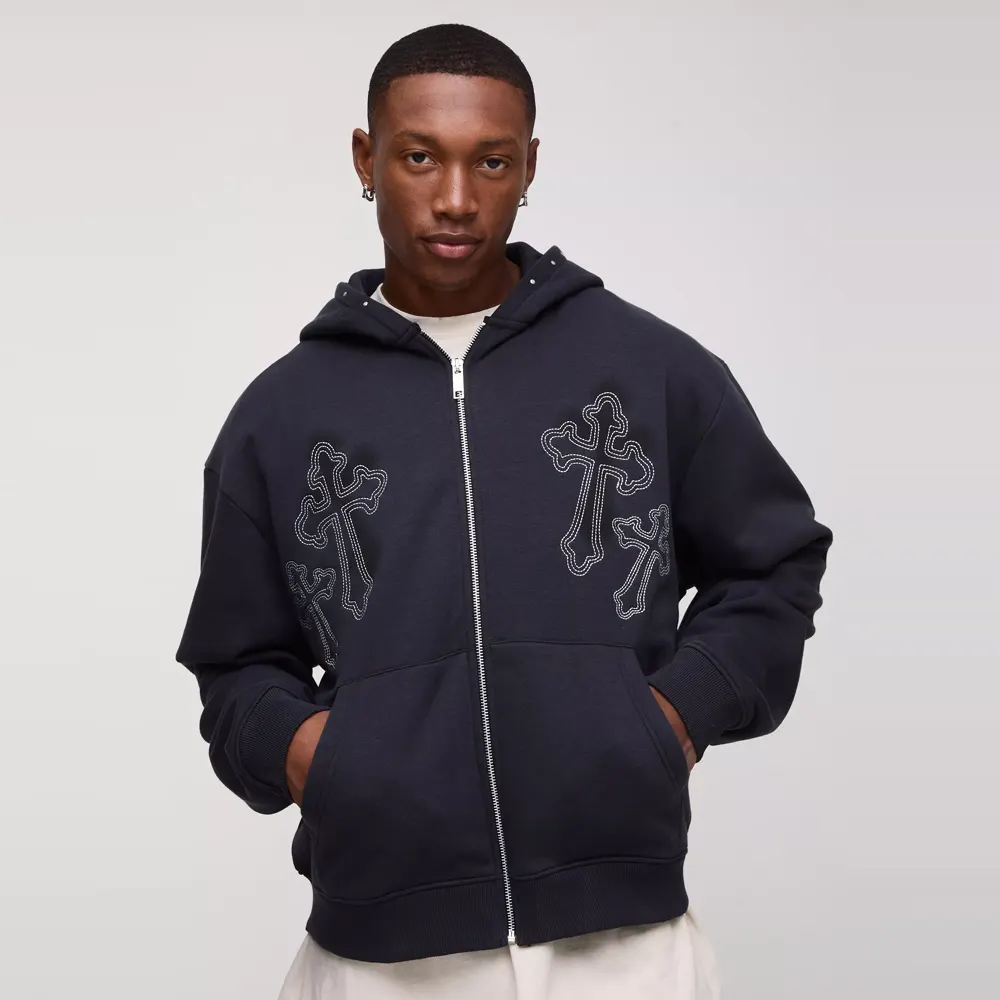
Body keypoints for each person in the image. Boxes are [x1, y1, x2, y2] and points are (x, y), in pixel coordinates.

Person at [175, 22, 832, 1000]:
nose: (454, 198)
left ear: (528, 166)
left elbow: (773, 563)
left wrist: (668, 719)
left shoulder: (649, 368)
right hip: (378, 958)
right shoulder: (280, 416)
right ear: (365, 158)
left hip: (629, 951)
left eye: (490, 161)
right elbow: (235, 663)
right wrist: (317, 757)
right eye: (418, 157)